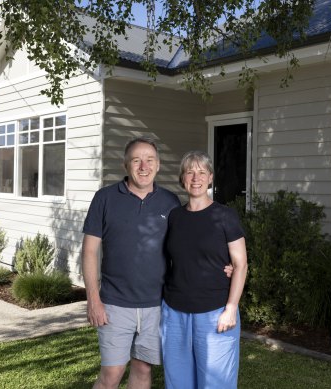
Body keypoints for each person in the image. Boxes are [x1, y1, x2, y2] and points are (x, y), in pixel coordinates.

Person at [81, 137, 181, 389]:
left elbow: (185, 249)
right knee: (111, 374)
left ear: (158, 165)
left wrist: (222, 265)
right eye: (137, 160)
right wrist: (93, 299)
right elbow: (90, 251)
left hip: (156, 306)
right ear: (126, 165)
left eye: (150, 160)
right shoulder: (104, 198)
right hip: (115, 304)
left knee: (143, 369)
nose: (143, 166)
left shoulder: (170, 202)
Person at [161, 150, 248, 389]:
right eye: (190, 172)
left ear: (210, 178)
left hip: (215, 312)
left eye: (202, 172)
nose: (196, 177)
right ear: (183, 178)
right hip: (174, 313)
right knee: (178, 382)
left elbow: (240, 264)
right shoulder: (175, 217)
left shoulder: (225, 216)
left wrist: (231, 309)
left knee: (215, 383)